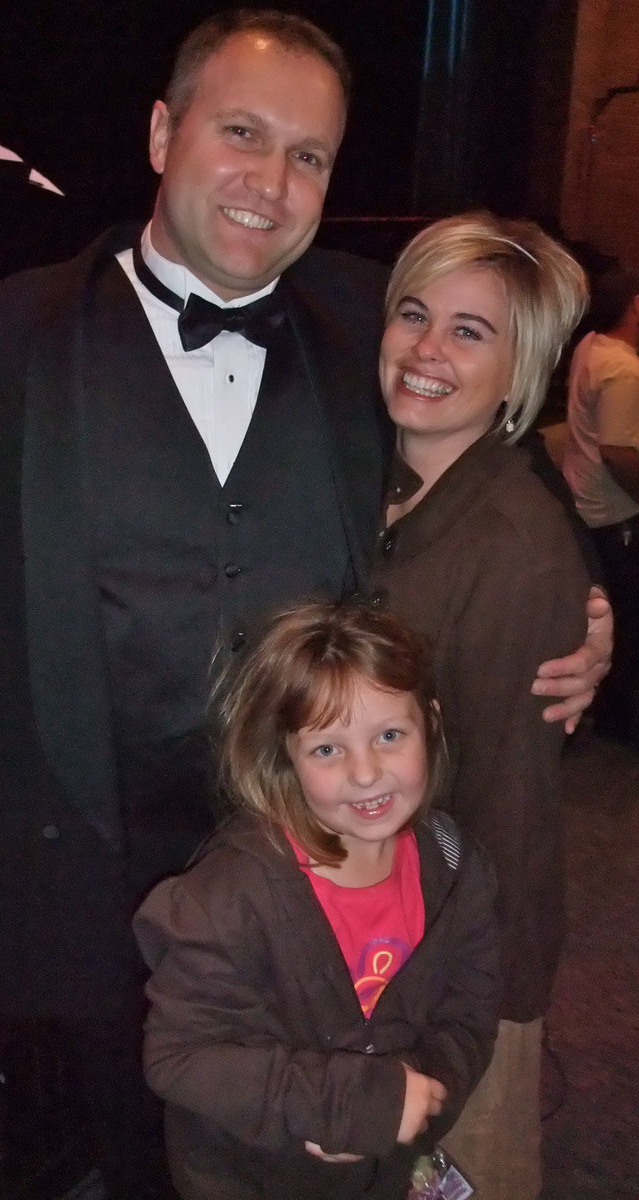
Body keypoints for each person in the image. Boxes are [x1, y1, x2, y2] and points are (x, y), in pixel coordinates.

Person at [0, 10, 610, 1198]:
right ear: (161, 131)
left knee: (324, 1149)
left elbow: (488, 445)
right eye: (240, 132)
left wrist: (586, 601)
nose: (272, 182)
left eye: (308, 155)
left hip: (329, 857)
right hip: (94, 874)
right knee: (135, 1146)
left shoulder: (365, 320)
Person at [134, 600, 500, 1200]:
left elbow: (470, 1014)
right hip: (255, 1179)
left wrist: (424, 1089)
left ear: (430, 724)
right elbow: (179, 1056)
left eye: (389, 735)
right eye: (328, 749)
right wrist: (339, 1104)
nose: (365, 773)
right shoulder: (229, 898)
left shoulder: (457, 868)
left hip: (385, 1173)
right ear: (288, 757)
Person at [373, 212, 592, 1200]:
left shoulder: (509, 543)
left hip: (450, 962)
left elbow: (499, 808)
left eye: (469, 331)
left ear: (520, 371)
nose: (425, 349)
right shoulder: (382, 483)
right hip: (376, 934)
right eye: (413, 314)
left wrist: (463, 1008)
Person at [563, 266, 639, 748]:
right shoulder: (625, 369)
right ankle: (622, 721)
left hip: (585, 504)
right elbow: (619, 454)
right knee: (628, 621)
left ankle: (609, 711)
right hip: (615, 514)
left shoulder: (591, 345)